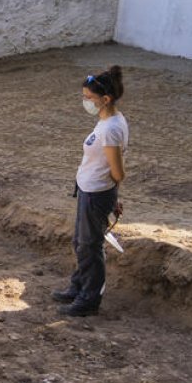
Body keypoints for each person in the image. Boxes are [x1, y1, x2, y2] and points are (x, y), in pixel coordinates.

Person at [53, 66, 128, 317]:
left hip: (97, 194)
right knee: (81, 242)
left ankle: (89, 299)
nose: (86, 102)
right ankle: (79, 286)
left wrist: (112, 197)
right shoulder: (108, 121)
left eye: (89, 98)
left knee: (90, 245)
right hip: (89, 190)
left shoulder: (111, 130)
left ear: (105, 99)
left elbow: (118, 172)